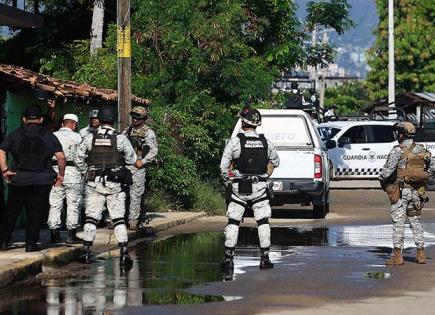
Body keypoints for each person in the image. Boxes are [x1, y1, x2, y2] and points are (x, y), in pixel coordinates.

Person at [75, 105, 137, 269]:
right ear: (114, 120)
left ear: (100, 119)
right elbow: (131, 159)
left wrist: (86, 172)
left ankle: (87, 252)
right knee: (118, 219)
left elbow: (78, 158)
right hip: (115, 184)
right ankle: (124, 254)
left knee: (91, 217)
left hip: (94, 183)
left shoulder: (90, 138)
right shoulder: (120, 138)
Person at [220, 107, 280, 274]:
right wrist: (264, 177)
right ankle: (265, 259)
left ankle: (228, 260)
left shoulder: (235, 142)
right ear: (256, 124)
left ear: (242, 122)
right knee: (263, 222)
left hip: (239, 187)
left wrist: (228, 182)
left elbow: (223, 166)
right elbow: (275, 162)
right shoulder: (266, 142)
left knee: (233, 221)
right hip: (260, 188)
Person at [0, 105, 66, 252]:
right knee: (35, 212)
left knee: (12, 211)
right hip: (41, 181)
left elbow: (1, 151)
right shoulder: (49, 136)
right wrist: (60, 175)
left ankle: (4, 241)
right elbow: (61, 157)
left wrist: (5, 171)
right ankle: (31, 244)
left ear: (24, 119)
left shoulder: (15, 134)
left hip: (18, 179)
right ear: (41, 119)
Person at [379, 121, 435, 265]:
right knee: (415, 221)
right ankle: (421, 254)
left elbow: (386, 173)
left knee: (398, 222)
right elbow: (431, 169)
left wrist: (383, 180)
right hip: (417, 192)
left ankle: (398, 256)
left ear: (401, 134)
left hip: (401, 192)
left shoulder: (398, 150)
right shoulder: (422, 149)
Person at [48, 114, 83, 244]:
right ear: (74, 124)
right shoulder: (78, 137)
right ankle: (71, 235)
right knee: (73, 204)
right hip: (72, 172)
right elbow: (81, 157)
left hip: (54, 171)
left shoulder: (53, 135)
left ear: (63, 123)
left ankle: (54, 234)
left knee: (55, 203)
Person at [123, 106, 158, 230]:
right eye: (133, 116)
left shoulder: (148, 132)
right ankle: (120, 219)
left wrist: (142, 162)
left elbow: (154, 150)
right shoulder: (127, 131)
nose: (135, 119)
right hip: (126, 166)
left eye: (138, 117)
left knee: (135, 195)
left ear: (143, 119)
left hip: (137, 167)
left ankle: (133, 221)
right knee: (122, 194)